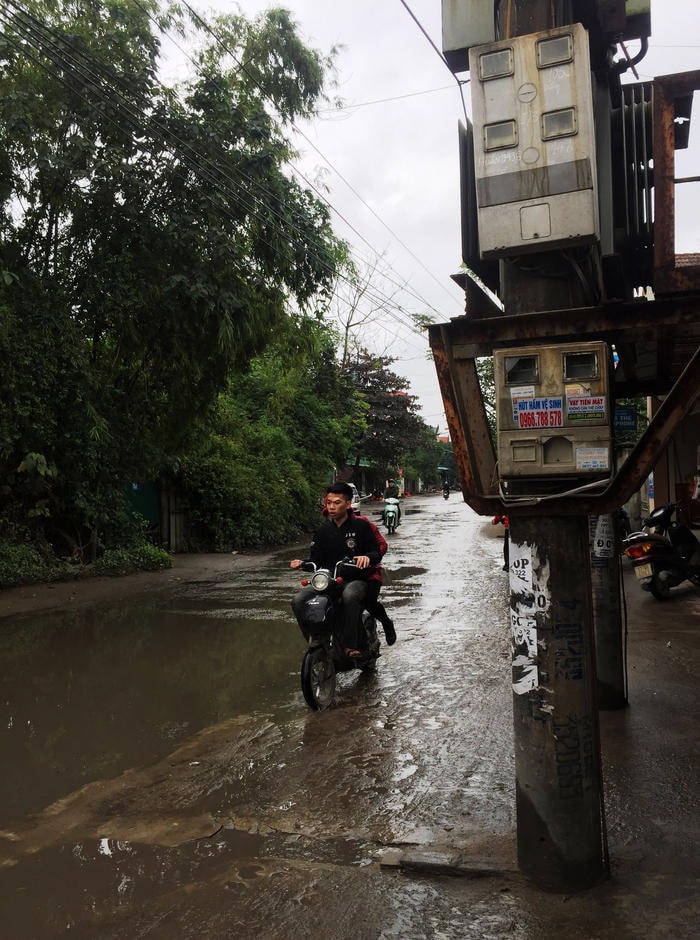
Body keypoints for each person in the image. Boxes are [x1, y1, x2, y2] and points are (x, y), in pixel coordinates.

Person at [290, 482, 395, 655]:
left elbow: (377, 550)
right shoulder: (322, 531)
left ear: (348, 504)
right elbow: (315, 560)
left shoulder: (361, 526)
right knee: (298, 600)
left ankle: (350, 645)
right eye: (328, 502)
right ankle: (316, 638)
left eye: (337, 502)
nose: (331, 507)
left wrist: (367, 557)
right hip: (329, 580)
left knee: (350, 596)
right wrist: (302, 563)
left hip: (357, 579)